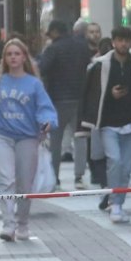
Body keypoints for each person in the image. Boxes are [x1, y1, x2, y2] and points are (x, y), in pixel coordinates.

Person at [0, 37, 59, 239]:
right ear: (4, 58)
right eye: (9, 54)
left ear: (24, 57)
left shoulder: (34, 84)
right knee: (6, 181)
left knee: (24, 184)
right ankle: (8, 224)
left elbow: (45, 108)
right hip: (1, 136)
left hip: (27, 137)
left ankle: (23, 223)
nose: (13, 57)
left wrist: (48, 121)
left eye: (17, 54)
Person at [82, 26, 131, 224]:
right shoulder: (101, 65)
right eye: (120, 40)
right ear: (113, 42)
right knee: (115, 161)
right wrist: (111, 95)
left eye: (127, 40)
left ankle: (119, 202)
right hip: (108, 123)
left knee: (127, 167)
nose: (123, 44)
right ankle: (114, 203)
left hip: (130, 122)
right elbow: (92, 95)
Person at [38, 17, 93, 182]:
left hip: (58, 99)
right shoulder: (83, 47)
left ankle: (55, 176)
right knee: (80, 137)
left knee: (56, 139)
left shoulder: (53, 49)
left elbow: (42, 69)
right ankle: (79, 175)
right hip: (80, 98)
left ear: (55, 32)